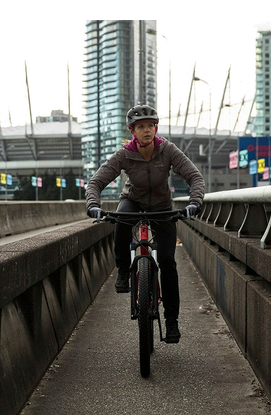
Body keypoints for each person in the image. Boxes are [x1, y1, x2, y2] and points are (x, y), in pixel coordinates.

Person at [86, 104, 205, 343]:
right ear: (132, 131)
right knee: (121, 219)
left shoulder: (167, 150)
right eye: (140, 127)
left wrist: (195, 202)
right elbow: (96, 182)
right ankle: (123, 270)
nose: (147, 130)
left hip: (161, 207)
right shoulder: (124, 154)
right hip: (133, 201)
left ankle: (171, 321)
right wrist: (93, 205)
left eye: (151, 125)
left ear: (156, 128)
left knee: (168, 262)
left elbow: (194, 176)